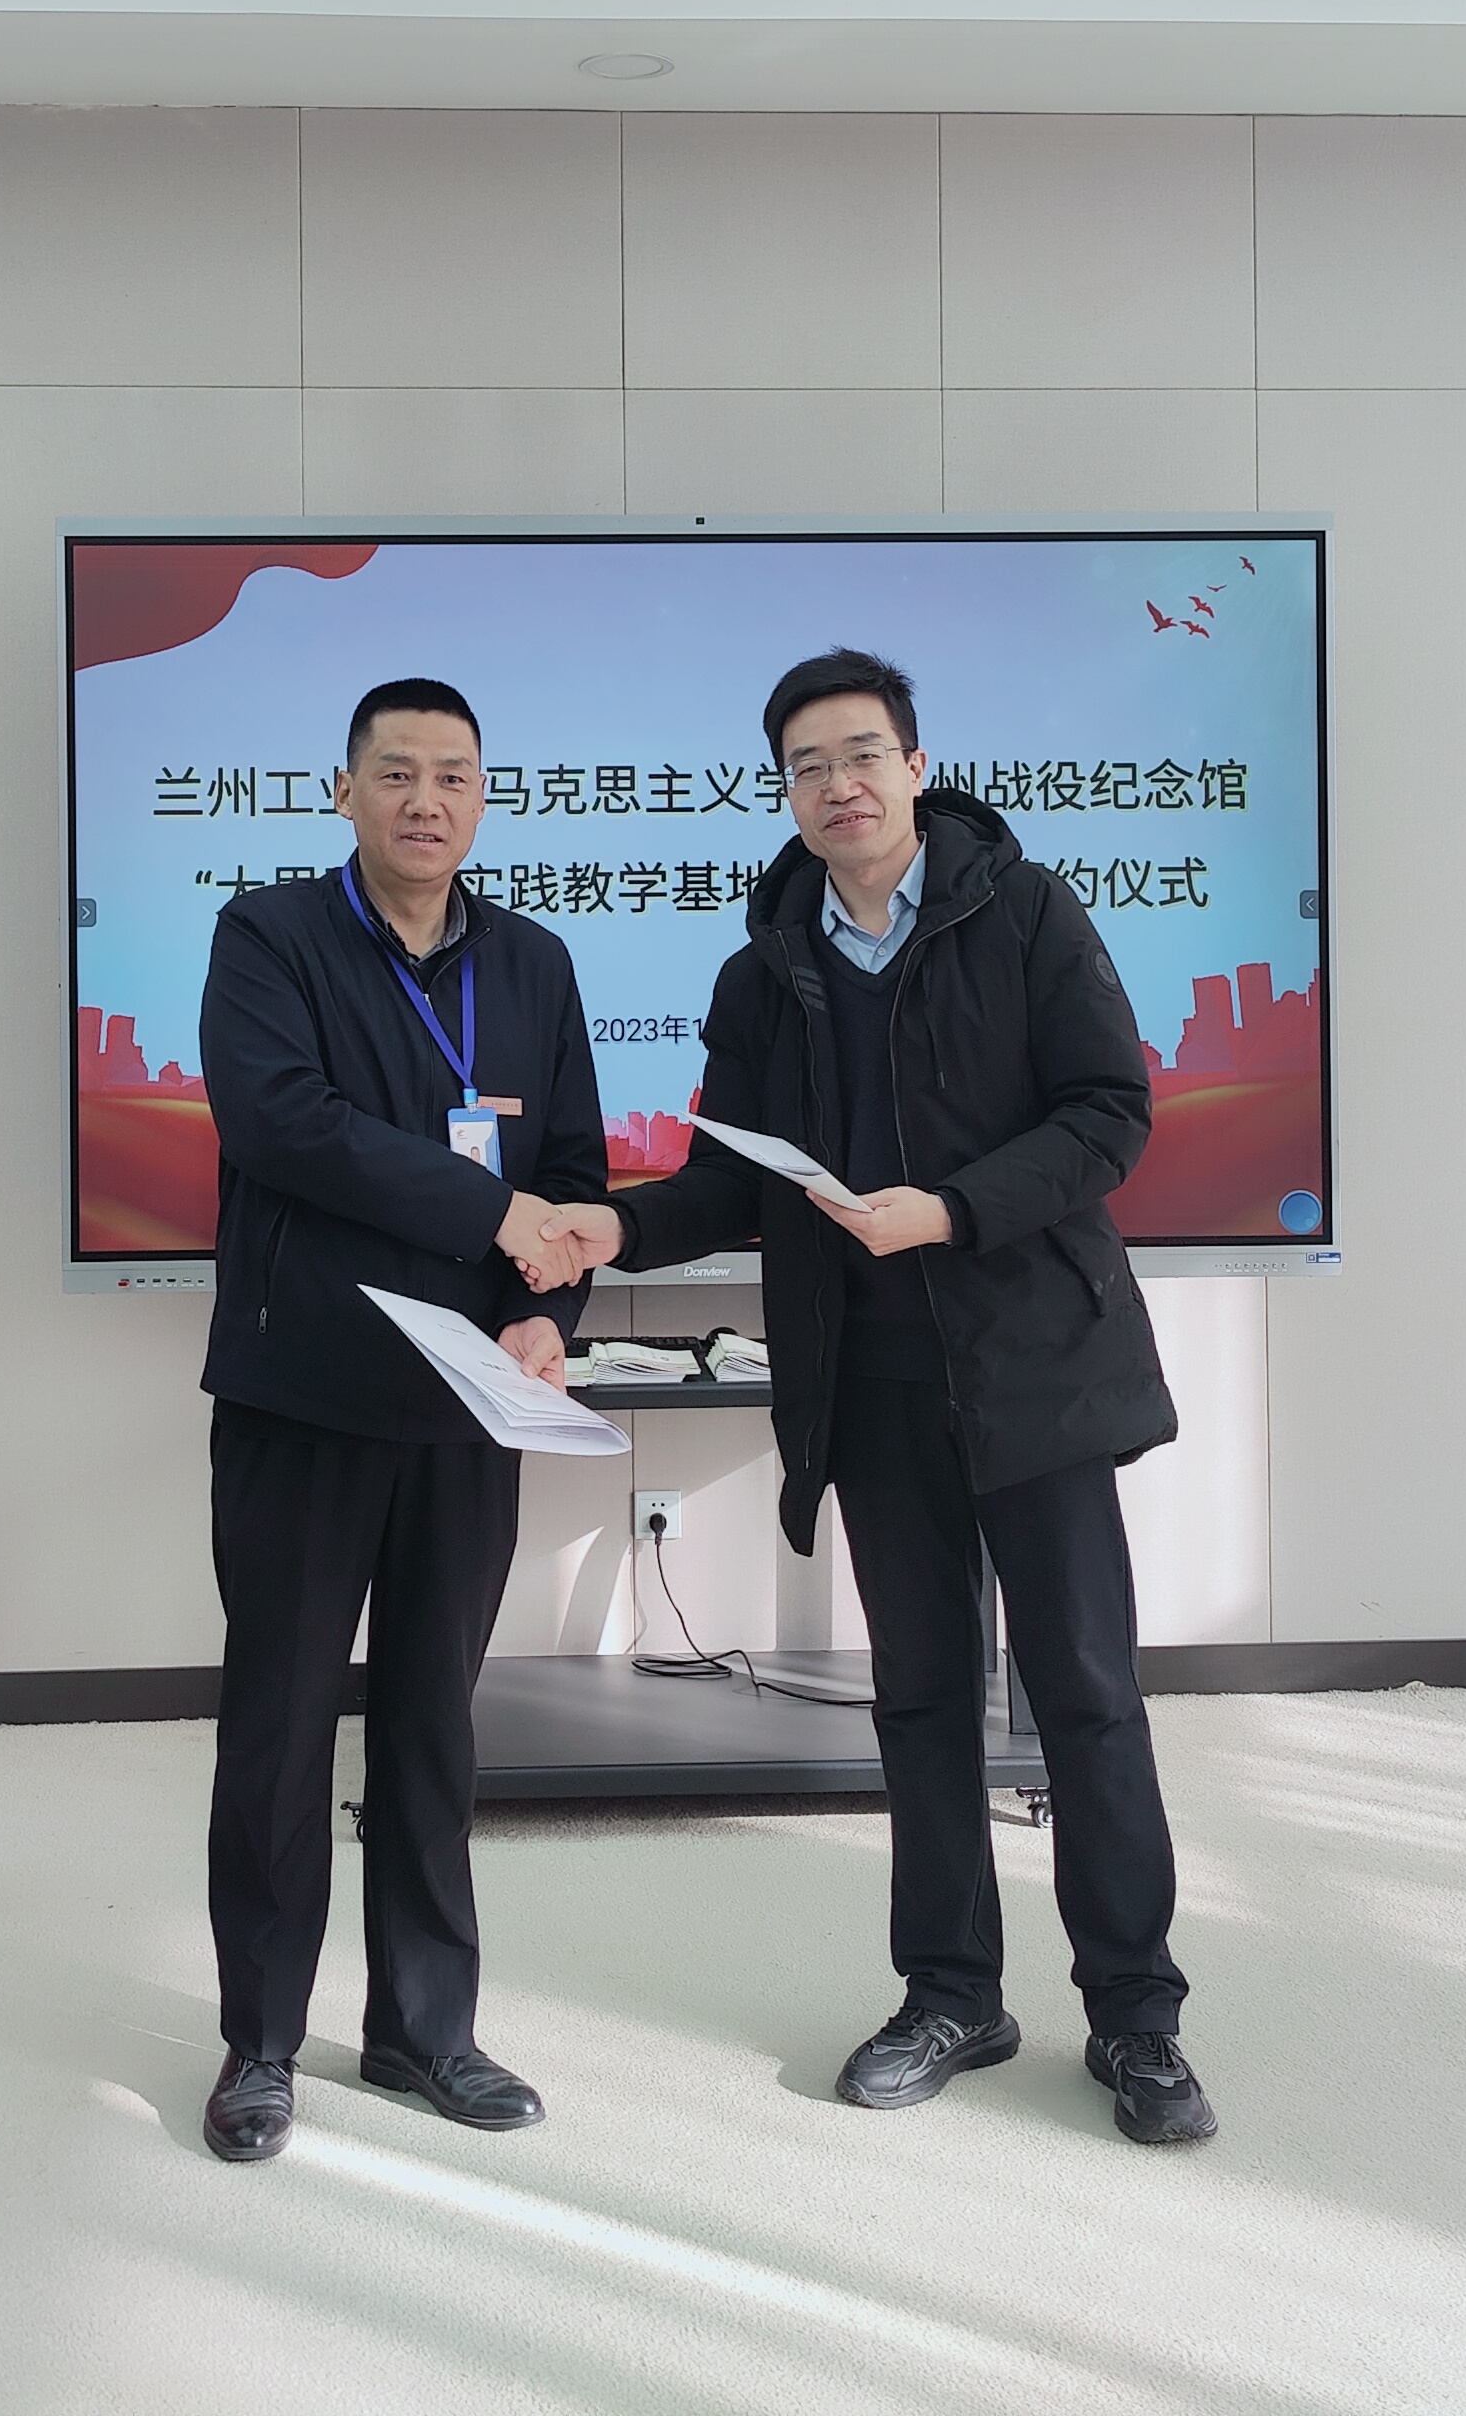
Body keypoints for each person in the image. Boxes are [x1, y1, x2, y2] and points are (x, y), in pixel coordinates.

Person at [538, 649, 1213, 2144]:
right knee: (918, 1696)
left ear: (914, 766)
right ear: (783, 792)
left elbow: (1110, 1116)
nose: (837, 785)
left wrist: (954, 1210)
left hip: (1034, 1367)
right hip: (872, 1380)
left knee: (1085, 1692)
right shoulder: (762, 968)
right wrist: (613, 1229)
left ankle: (1137, 2014)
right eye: (807, 766)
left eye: (861, 755)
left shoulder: (1025, 913)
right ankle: (952, 1993)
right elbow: (732, 1179)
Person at [190, 675, 611, 2167]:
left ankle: (425, 2028)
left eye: (453, 777)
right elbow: (283, 1124)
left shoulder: (536, 964)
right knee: (283, 1722)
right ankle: (259, 2041)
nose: (426, 801)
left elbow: (572, 1174)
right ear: (345, 791)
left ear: (484, 799)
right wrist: (491, 1210)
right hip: (304, 1392)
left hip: (467, 1406)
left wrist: (554, 1314)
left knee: (435, 1724)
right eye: (396, 773)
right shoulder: (270, 938)